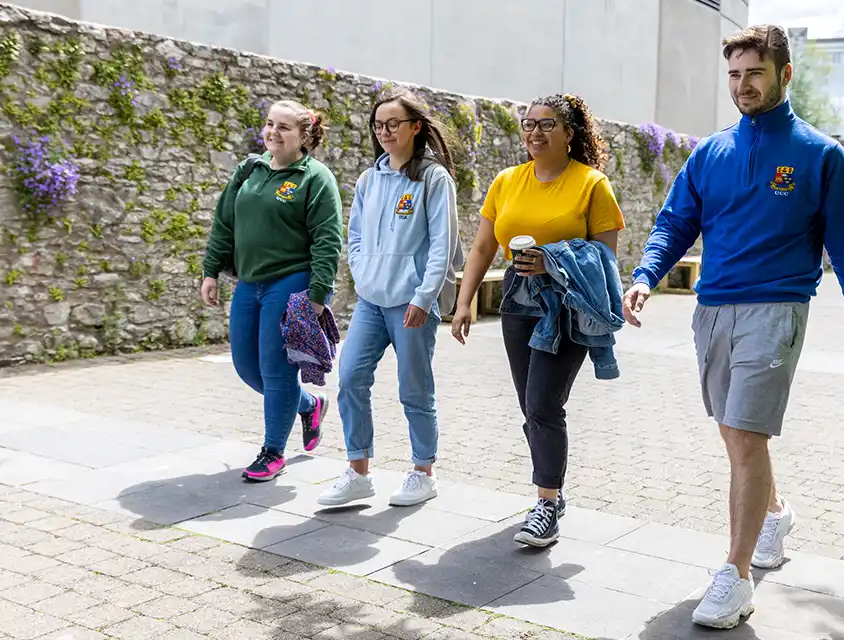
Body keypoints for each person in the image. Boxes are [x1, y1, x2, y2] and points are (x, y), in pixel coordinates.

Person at [622, 25, 844, 629]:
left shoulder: (820, 155)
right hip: (711, 310)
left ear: (784, 74)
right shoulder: (710, 153)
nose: (742, 86)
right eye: (734, 75)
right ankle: (776, 514)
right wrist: (644, 275)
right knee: (736, 435)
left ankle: (734, 577)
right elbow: (674, 222)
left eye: (754, 74)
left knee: (744, 434)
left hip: (776, 308)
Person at [451, 93, 625, 547]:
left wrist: (555, 263)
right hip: (518, 300)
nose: (535, 132)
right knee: (531, 407)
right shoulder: (507, 180)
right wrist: (464, 301)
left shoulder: (592, 184)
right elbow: (483, 247)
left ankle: (546, 502)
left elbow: (606, 258)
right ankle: (553, 487)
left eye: (547, 124)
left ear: (570, 134)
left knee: (544, 405)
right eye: (528, 124)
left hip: (569, 305)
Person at [317, 87, 462, 508]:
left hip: (413, 302)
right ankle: (358, 471)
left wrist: (423, 296)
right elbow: (356, 235)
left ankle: (423, 471)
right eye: (378, 125)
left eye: (393, 123)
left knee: (414, 388)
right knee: (350, 378)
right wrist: (364, 273)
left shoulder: (434, 179)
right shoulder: (369, 178)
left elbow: (442, 244)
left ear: (416, 127)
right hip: (372, 301)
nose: (384, 131)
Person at [201, 100, 343, 482]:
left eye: (284, 128)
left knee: (276, 369)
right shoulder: (250, 168)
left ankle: (273, 451)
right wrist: (210, 270)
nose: (273, 133)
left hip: (291, 281)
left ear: (304, 136)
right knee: (247, 366)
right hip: (249, 281)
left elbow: (328, 240)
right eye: (269, 125)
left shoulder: (315, 178)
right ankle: (309, 404)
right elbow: (224, 222)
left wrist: (318, 294)